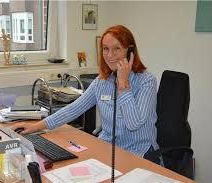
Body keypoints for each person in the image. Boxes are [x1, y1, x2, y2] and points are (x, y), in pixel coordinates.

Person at [12, 25, 160, 164]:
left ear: (130, 51)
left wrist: (123, 85)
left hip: (138, 155)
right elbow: (73, 109)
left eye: (117, 49)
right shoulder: (102, 82)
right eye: (105, 49)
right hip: (107, 149)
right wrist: (36, 126)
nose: (110, 55)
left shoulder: (146, 82)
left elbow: (133, 124)